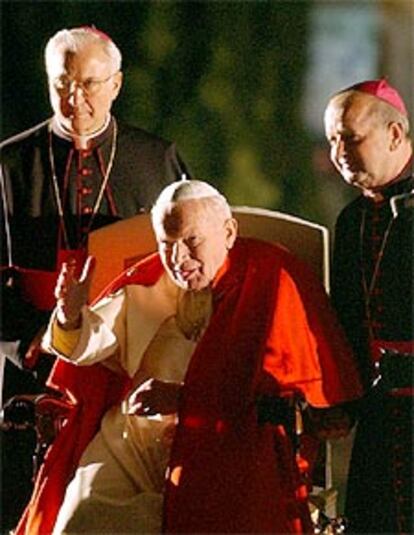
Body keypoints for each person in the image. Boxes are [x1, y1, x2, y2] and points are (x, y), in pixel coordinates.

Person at [16, 180, 362, 534]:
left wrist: (185, 400)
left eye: (191, 241)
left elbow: (278, 391)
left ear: (228, 232)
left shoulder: (270, 280)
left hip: (218, 446)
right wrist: (71, 316)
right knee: (80, 522)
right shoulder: (147, 283)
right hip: (131, 442)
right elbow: (94, 340)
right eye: (166, 245)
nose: (177, 260)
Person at [0, 25, 190, 531]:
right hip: (30, 366)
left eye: (88, 83)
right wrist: (27, 340)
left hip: (125, 372)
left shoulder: (156, 160)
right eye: (62, 83)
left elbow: (186, 266)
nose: (74, 98)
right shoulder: (8, 164)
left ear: (116, 84)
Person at [324, 79, 413, 534]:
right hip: (381, 415)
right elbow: (346, 319)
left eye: (351, 137)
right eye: (333, 140)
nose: (339, 151)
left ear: (395, 135)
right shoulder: (353, 219)